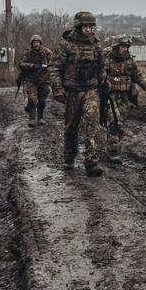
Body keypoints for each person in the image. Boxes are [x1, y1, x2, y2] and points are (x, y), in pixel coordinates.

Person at [49, 11, 106, 177]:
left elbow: (102, 65)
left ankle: (91, 161)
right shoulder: (66, 44)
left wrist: (103, 78)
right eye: (85, 26)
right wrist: (57, 89)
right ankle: (69, 156)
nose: (89, 29)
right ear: (79, 26)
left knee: (92, 123)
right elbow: (54, 68)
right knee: (71, 127)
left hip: (91, 90)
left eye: (91, 26)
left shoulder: (96, 44)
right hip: (72, 92)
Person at [103, 35, 146, 164]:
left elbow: (139, 76)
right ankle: (112, 153)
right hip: (109, 96)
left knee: (121, 125)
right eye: (122, 47)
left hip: (124, 96)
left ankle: (116, 149)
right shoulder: (106, 60)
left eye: (126, 47)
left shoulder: (130, 61)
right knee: (115, 121)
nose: (124, 49)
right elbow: (99, 76)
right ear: (116, 47)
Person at [18, 34, 53, 127]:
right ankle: (32, 119)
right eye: (34, 42)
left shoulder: (47, 52)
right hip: (31, 80)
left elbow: (55, 63)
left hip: (44, 80)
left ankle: (40, 118)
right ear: (32, 44)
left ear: (40, 43)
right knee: (32, 99)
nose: (36, 44)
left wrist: (47, 67)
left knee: (42, 100)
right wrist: (32, 66)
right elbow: (21, 64)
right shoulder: (28, 53)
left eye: (37, 42)